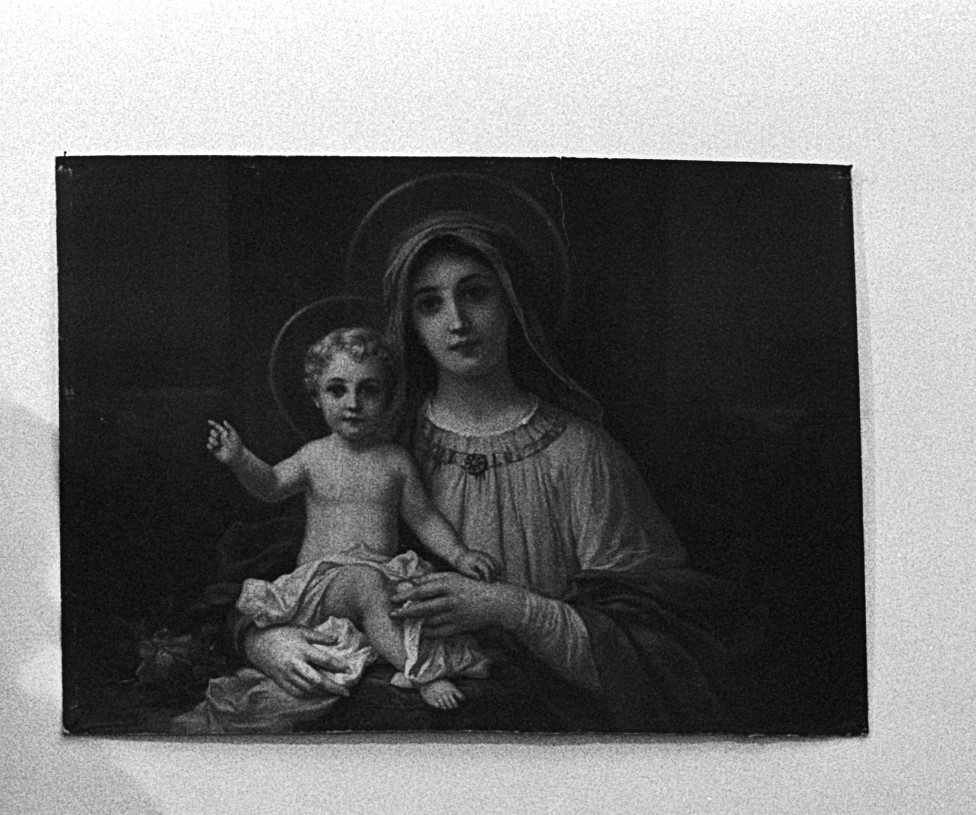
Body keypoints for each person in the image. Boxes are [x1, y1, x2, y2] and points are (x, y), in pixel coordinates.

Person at [241, 200, 739, 731]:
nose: (457, 322)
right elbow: (282, 577)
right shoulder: (375, 444)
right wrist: (262, 642)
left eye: (476, 294)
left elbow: (655, 653)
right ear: (410, 324)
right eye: (430, 304)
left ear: (513, 302)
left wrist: (509, 607)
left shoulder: (581, 454)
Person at [202, 327, 495, 715]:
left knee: (413, 601)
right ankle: (421, 673)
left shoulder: (395, 461)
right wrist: (240, 459)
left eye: (368, 390)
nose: (353, 403)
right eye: (337, 390)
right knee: (363, 582)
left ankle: (397, 651)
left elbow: (424, 518)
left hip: (381, 579)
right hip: (321, 589)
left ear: (388, 398)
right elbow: (270, 485)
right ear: (317, 397)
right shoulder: (314, 457)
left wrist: (459, 555)